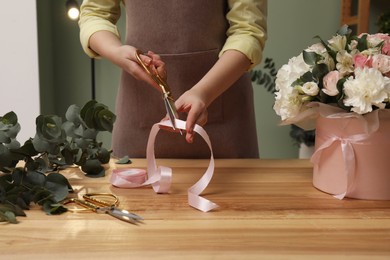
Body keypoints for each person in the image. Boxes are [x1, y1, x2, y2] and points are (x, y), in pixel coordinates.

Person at [79, 0, 267, 158]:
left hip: (225, 120)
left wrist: (203, 92)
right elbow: (95, 13)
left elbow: (247, 31)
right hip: (138, 118)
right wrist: (116, 51)